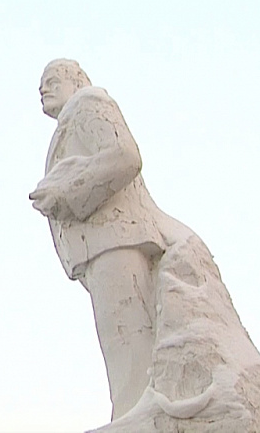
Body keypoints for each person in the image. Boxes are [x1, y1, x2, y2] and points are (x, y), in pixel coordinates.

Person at [29, 59, 189, 420]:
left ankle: (136, 416)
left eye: (52, 80)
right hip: (105, 246)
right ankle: (133, 414)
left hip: (118, 240)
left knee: (127, 335)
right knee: (121, 337)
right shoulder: (73, 117)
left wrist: (67, 191)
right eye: (41, 84)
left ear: (77, 80)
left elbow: (126, 157)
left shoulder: (88, 103)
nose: (42, 89)